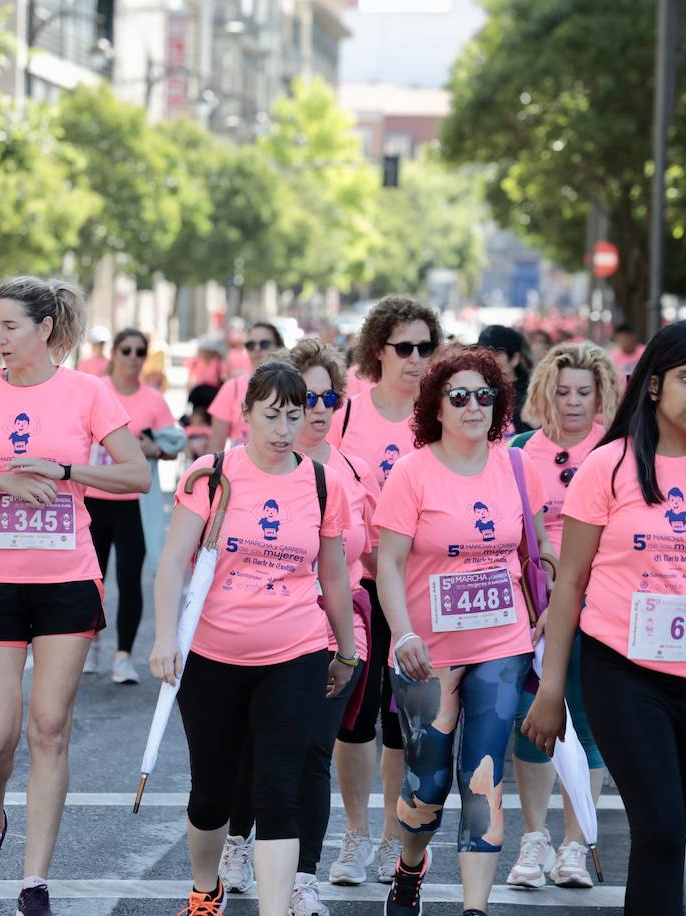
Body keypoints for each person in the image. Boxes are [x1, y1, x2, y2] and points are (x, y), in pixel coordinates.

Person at [523, 319, 686, 916]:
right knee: (663, 831)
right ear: (654, 384)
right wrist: (553, 687)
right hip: (622, 673)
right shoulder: (608, 466)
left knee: (663, 840)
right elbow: (571, 586)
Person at [0, 277, 150, 916]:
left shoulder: (87, 393)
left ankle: (34, 882)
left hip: (67, 581)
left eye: (10, 327)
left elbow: (135, 474)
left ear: (45, 328)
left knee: (49, 729)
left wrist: (67, 471)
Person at [151, 360, 358, 916]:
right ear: (245, 416)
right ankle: (204, 888)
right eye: (271, 415)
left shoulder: (322, 483)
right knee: (212, 790)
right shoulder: (211, 475)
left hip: (295, 652)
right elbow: (173, 560)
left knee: (278, 789)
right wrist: (165, 638)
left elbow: (333, 574)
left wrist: (347, 648)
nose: (284, 428)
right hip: (213, 653)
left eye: (296, 415)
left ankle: (274, 908)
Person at [373, 346, 554, 916]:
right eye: (460, 396)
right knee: (425, 783)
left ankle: (475, 907)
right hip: (427, 653)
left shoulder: (517, 465)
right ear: (437, 406)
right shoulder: (413, 472)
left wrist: (550, 599)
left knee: (483, 774)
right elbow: (390, 565)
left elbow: (541, 547)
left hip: (503, 643)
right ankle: (409, 866)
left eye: (485, 395)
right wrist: (403, 635)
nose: (474, 406)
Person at [217, 340, 380, 914]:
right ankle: (237, 840)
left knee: (312, 751)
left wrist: (355, 641)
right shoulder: (243, 467)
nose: (313, 410)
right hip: (255, 629)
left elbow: (368, 551)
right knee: (251, 748)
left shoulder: (346, 472)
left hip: (329, 629)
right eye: (302, 398)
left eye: (327, 397)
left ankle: (301, 876)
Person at [325, 295, 442, 886]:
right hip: (359, 584)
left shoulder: (442, 412)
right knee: (356, 718)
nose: (417, 359)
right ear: (378, 350)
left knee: (406, 723)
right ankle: (355, 834)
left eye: (426, 347)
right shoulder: (346, 413)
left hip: (421, 587)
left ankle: (399, 836)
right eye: (405, 348)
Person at [505, 342, 621, 890]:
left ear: (601, 394)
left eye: (583, 392)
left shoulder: (619, 452)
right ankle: (534, 839)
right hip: (530, 607)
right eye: (562, 391)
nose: (572, 403)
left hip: (597, 604)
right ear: (544, 392)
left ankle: (576, 844)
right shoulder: (518, 452)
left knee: (588, 719)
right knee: (532, 717)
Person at [84, 328, 182, 684]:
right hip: (91, 498)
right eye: (126, 350)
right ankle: (90, 643)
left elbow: (172, 444)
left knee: (129, 581)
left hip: (133, 505)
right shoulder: (94, 388)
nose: (132, 357)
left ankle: (123, 655)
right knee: (89, 580)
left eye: (140, 352)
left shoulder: (153, 399)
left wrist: (153, 447)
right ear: (114, 353)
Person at [209, 322, 284, 451]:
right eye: (250, 345)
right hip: (238, 469)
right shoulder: (232, 387)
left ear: (279, 348)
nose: (257, 349)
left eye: (264, 344)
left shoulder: (294, 386)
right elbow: (215, 446)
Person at [476, 324, 533, 434]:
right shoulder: (472, 391)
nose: (487, 359)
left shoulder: (533, 394)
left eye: (496, 354)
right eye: (482, 353)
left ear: (515, 359)